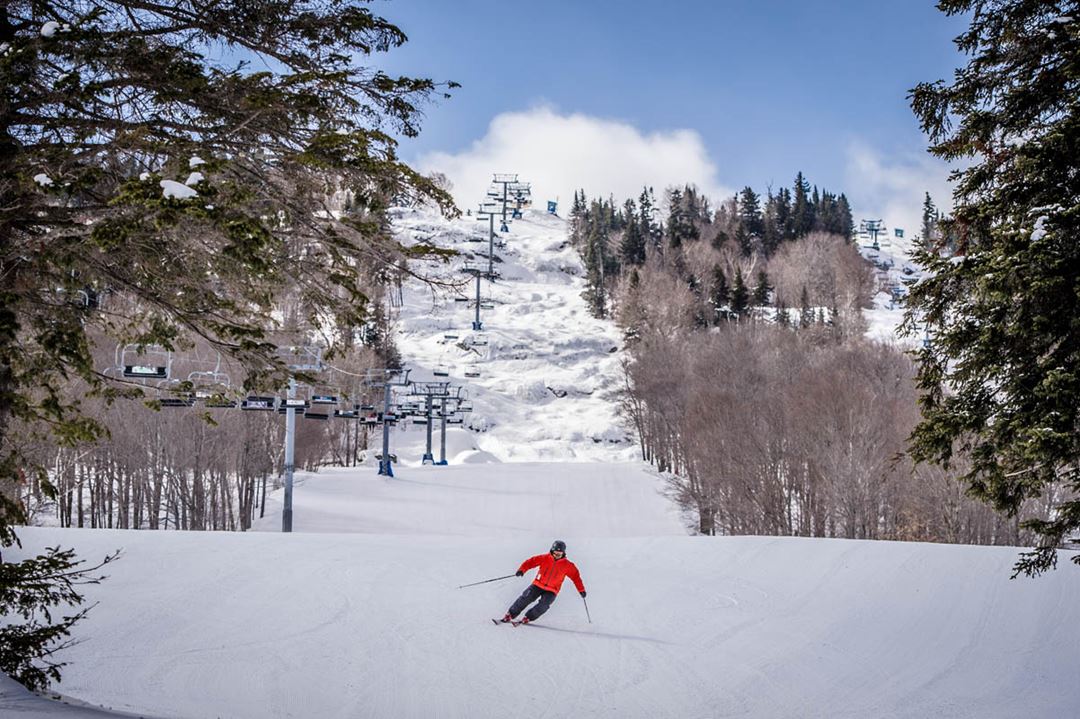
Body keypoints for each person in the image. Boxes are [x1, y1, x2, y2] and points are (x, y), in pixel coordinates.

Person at [499, 540, 586, 625]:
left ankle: (528, 617)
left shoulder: (568, 565)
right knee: (525, 598)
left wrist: (581, 590)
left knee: (543, 606)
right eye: (555, 553)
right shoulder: (544, 558)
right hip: (537, 585)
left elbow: (576, 578)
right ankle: (510, 614)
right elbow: (530, 562)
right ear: (552, 551)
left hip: (552, 590)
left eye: (559, 554)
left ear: (563, 553)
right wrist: (522, 570)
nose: (557, 555)